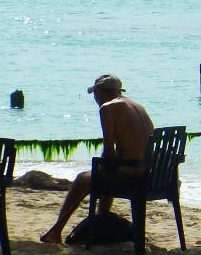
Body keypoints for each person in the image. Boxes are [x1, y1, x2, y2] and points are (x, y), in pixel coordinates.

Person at [39, 74, 154, 244]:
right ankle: (102, 217)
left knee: (83, 179)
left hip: (132, 176)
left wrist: (102, 166)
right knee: (105, 172)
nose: (95, 98)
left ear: (99, 92)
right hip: (152, 176)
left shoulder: (107, 108)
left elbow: (108, 152)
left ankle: (56, 231)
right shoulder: (138, 106)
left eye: (95, 94)